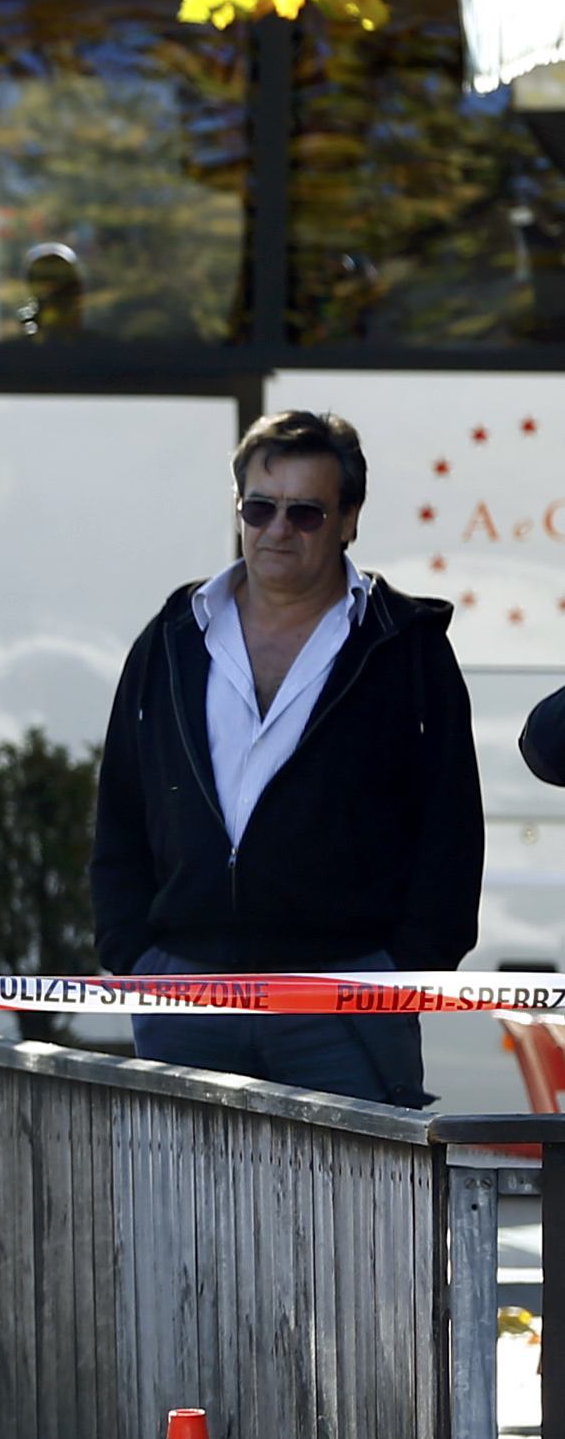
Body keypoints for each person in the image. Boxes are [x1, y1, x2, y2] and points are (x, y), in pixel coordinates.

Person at [90, 409, 482, 1105]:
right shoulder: (174, 637)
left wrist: (400, 970)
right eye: (260, 507)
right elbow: (120, 809)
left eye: (305, 513)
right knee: (180, 1214)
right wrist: (134, 955)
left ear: (349, 519)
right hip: (185, 994)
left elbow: (450, 830)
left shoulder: (406, 647)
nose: (277, 529)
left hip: (347, 999)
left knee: (363, 1213)